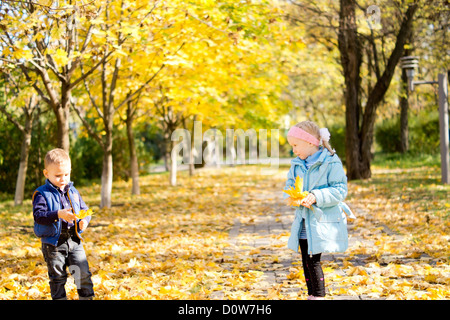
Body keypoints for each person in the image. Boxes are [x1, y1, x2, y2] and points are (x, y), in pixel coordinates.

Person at [283, 121, 353, 300]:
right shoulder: (297, 164)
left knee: (313, 261)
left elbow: (340, 190)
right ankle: (311, 295)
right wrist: (294, 196)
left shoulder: (330, 162)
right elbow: (290, 184)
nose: (293, 150)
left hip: (321, 221)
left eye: (295, 145)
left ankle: (319, 296)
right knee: (306, 261)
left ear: (310, 142)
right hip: (304, 221)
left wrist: (316, 196)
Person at [32, 148, 95, 300]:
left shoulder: (72, 191)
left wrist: (84, 221)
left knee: (83, 274)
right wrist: (58, 214)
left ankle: (87, 297)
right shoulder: (41, 194)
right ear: (46, 173)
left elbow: (85, 209)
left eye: (66, 174)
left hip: (74, 240)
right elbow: (39, 216)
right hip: (53, 244)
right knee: (58, 278)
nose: (63, 179)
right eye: (58, 175)